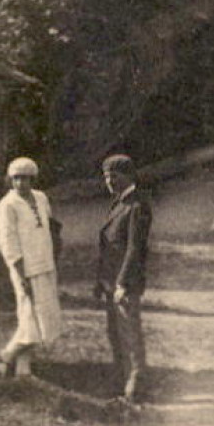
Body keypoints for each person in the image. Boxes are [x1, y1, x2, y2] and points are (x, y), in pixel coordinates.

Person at [0, 156, 64, 378]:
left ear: (33, 179)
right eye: (16, 178)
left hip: (45, 264)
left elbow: (49, 228)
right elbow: (8, 242)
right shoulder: (7, 205)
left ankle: (23, 369)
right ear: (10, 179)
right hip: (24, 268)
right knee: (28, 317)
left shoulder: (41, 198)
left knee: (42, 317)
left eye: (25, 178)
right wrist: (20, 271)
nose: (21, 183)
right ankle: (7, 355)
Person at [95, 154, 153, 401]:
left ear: (127, 176)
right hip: (111, 281)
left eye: (113, 176)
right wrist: (101, 280)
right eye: (106, 177)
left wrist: (122, 283)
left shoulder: (137, 205)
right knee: (115, 334)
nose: (109, 181)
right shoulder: (119, 203)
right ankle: (121, 381)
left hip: (124, 282)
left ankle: (136, 386)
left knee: (130, 333)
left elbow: (134, 248)